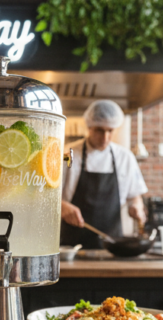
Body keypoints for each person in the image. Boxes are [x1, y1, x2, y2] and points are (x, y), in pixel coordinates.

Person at [60, 99, 148, 249]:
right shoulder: (69, 154)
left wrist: (137, 207)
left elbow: (136, 196)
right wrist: (61, 206)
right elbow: (47, 195)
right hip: (71, 246)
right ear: (89, 126)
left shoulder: (125, 157)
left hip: (112, 244)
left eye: (110, 131)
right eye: (100, 130)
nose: (105, 137)